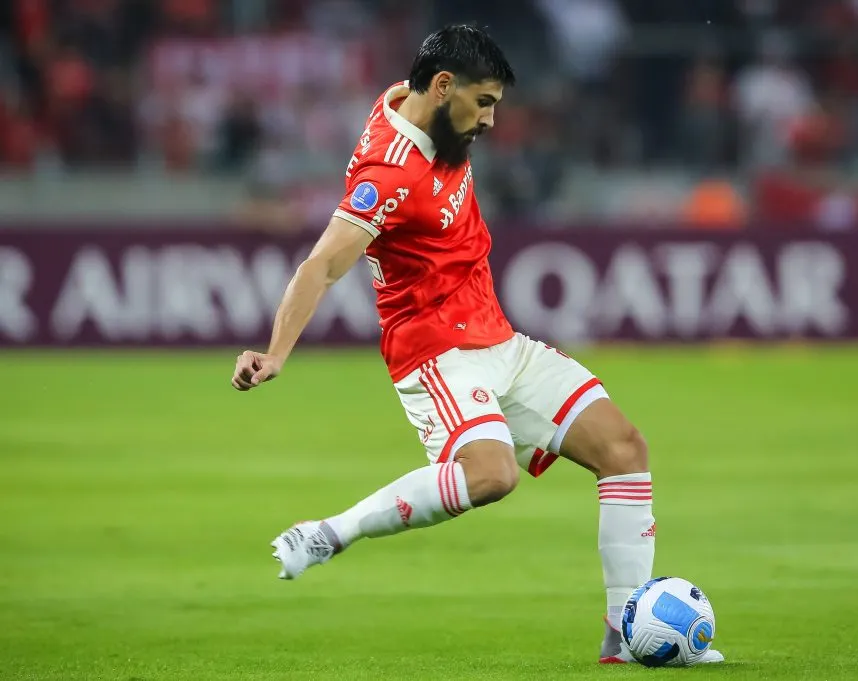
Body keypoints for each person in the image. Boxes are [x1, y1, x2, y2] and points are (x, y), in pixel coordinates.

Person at [230, 24, 723, 666]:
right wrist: (275, 353)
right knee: (493, 476)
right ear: (442, 87)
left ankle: (624, 638)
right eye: (483, 102)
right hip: (438, 352)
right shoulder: (389, 175)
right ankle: (329, 534)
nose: (490, 120)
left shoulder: (413, 105)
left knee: (625, 448)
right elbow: (323, 263)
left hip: (497, 337)